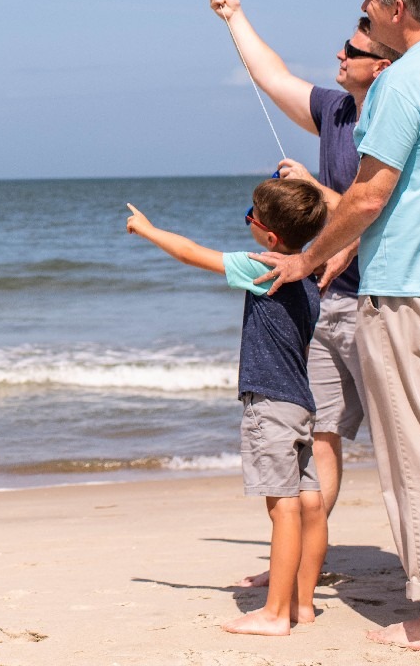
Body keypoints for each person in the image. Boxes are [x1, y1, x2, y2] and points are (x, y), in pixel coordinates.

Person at [253, 0, 420, 653]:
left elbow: (369, 193)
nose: (363, 7)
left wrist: (306, 254)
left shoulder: (404, 82)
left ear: (397, 8)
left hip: (404, 288)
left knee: (416, 455)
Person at [206, 0, 401, 569]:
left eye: (351, 50)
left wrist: (317, 191)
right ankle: (304, 564)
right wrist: (234, 15)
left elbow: (386, 207)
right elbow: (272, 75)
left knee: (401, 447)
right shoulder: (335, 110)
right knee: (320, 439)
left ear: (382, 65)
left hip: (382, 304)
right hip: (328, 301)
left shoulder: (401, 114)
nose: (339, 56)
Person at [125, 178, 329, 636]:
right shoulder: (311, 273)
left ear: (269, 236)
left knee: (284, 508)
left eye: (250, 219)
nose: (248, 224)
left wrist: (148, 228)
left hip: (270, 404)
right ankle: (303, 604)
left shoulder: (260, 266)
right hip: (300, 403)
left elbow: (190, 253)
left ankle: (276, 614)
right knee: (310, 503)